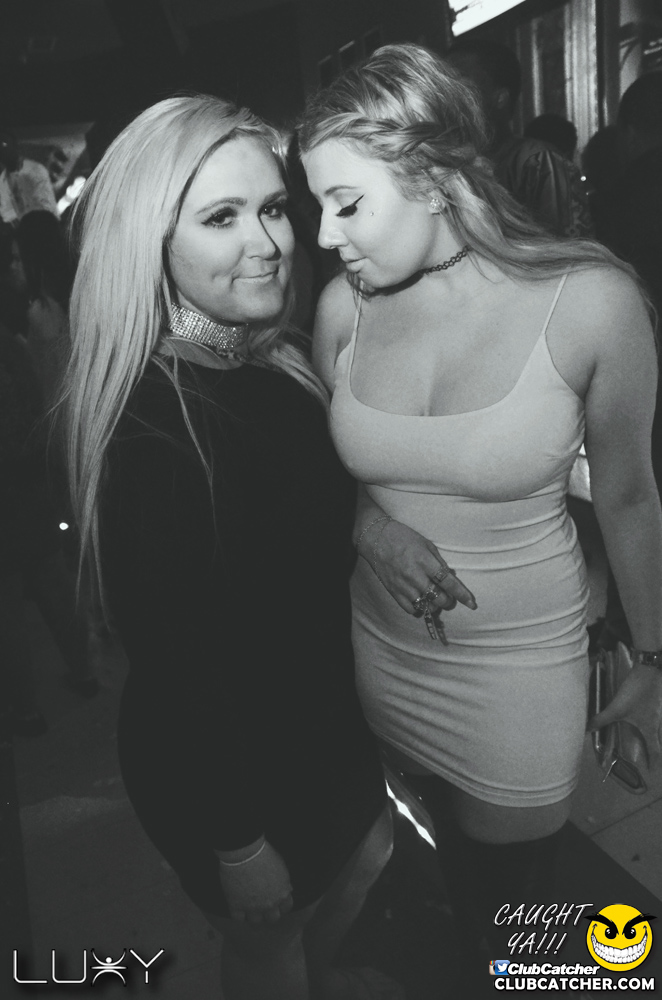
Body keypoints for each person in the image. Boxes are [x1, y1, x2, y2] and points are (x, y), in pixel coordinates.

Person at [297, 42, 662, 962]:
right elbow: (327, 477)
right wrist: (370, 527)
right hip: (381, 651)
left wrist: (655, 655)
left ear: (432, 177)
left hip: (521, 676)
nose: (325, 235)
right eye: (317, 205)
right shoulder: (342, 310)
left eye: (347, 203)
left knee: (509, 916)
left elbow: (628, 496)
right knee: (428, 865)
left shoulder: (591, 301)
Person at [59, 94, 396, 1000]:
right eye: (221, 218)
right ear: (151, 244)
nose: (270, 242)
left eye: (273, 207)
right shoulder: (156, 432)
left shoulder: (263, 363)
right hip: (237, 765)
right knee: (269, 945)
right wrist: (238, 842)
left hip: (319, 723)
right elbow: (181, 666)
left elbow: (303, 521)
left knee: (357, 870)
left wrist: (380, 531)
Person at [446, 38, 591, 237]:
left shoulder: (540, 161)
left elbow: (572, 244)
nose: (447, 95)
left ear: (500, 98)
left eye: (460, 84)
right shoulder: (446, 162)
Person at [0, 130, 59, 226]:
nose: (1, 150)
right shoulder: (3, 180)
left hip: (45, 226)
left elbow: (45, 206)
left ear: (15, 147)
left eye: (4, 144)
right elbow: (7, 213)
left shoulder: (35, 170)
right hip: (25, 230)